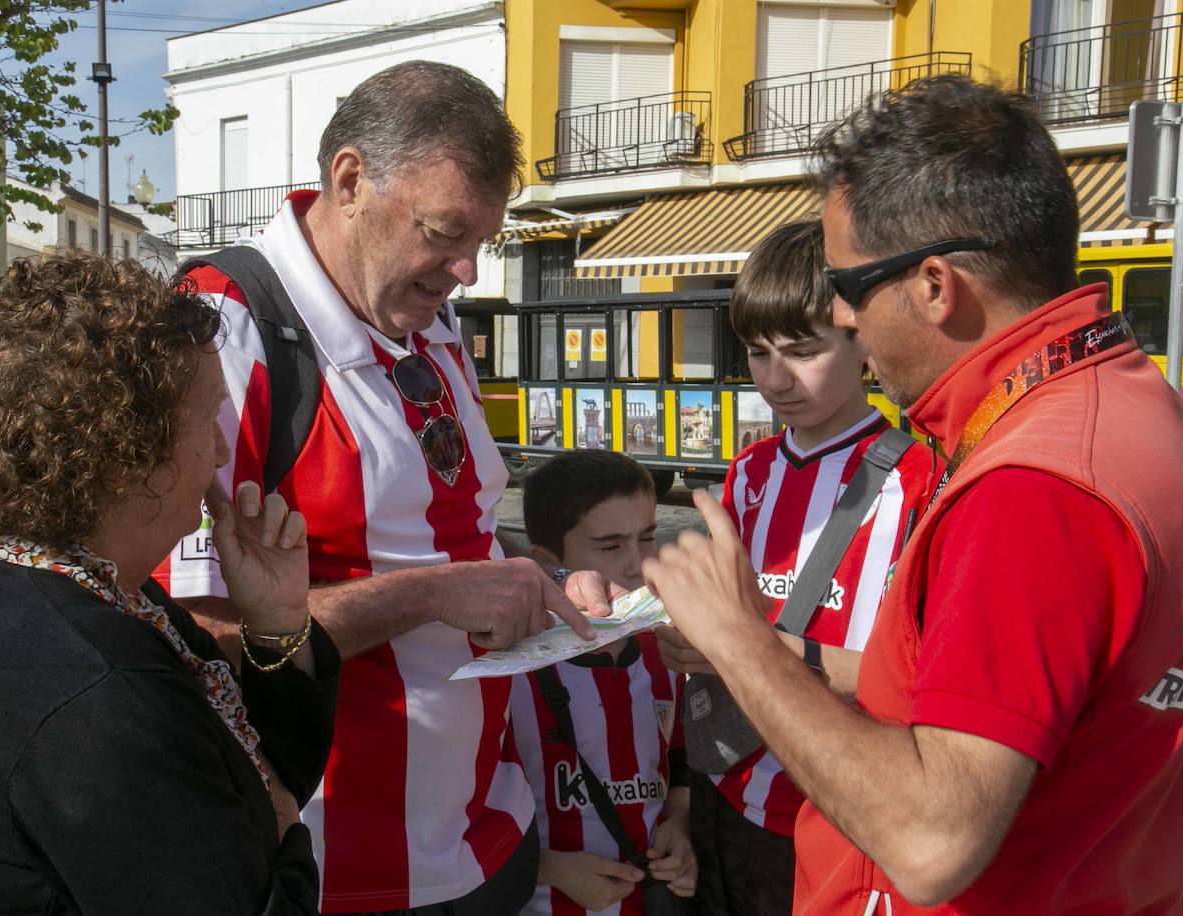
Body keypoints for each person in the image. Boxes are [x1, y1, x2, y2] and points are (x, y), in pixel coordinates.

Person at [642, 75, 1183, 915]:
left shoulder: (1033, 487)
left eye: (849, 285)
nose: (843, 312)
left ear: (935, 286)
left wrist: (738, 638)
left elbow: (929, 842)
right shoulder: (1143, 412)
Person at [152, 61, 615, 915]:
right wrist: (440, 592)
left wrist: (532, 578)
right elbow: (184, 629)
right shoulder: (223, 325)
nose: (467, 271)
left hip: (485, 840)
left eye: (485, 242)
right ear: (352, 179)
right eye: (445, 232)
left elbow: (460, 530)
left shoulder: (426, 315)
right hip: (334, 871)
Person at [0, 253, 339, 914]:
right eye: (210, 418)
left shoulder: (42, 583)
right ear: (123, 452)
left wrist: (277, 619)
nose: (222, 453)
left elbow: (260, 773)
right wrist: (287, 829)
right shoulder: (90, 681)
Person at [657, 218, 937, 915]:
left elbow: (916, 673)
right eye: (757, 353)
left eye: (802, 351)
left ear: (862, 340)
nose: (775, 379)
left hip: (836, 806)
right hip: (727, 783)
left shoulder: (921, 475)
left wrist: (756, 650)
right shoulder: (749, 471)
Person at [510, 451, 696, 915]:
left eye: (648, 537)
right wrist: (548, 868)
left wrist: (682, 822)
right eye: (610, 547)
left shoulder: (668, 652)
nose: (638, 565)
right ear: (549, 564)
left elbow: (680, 761)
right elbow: (460, 820)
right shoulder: (506, 673)